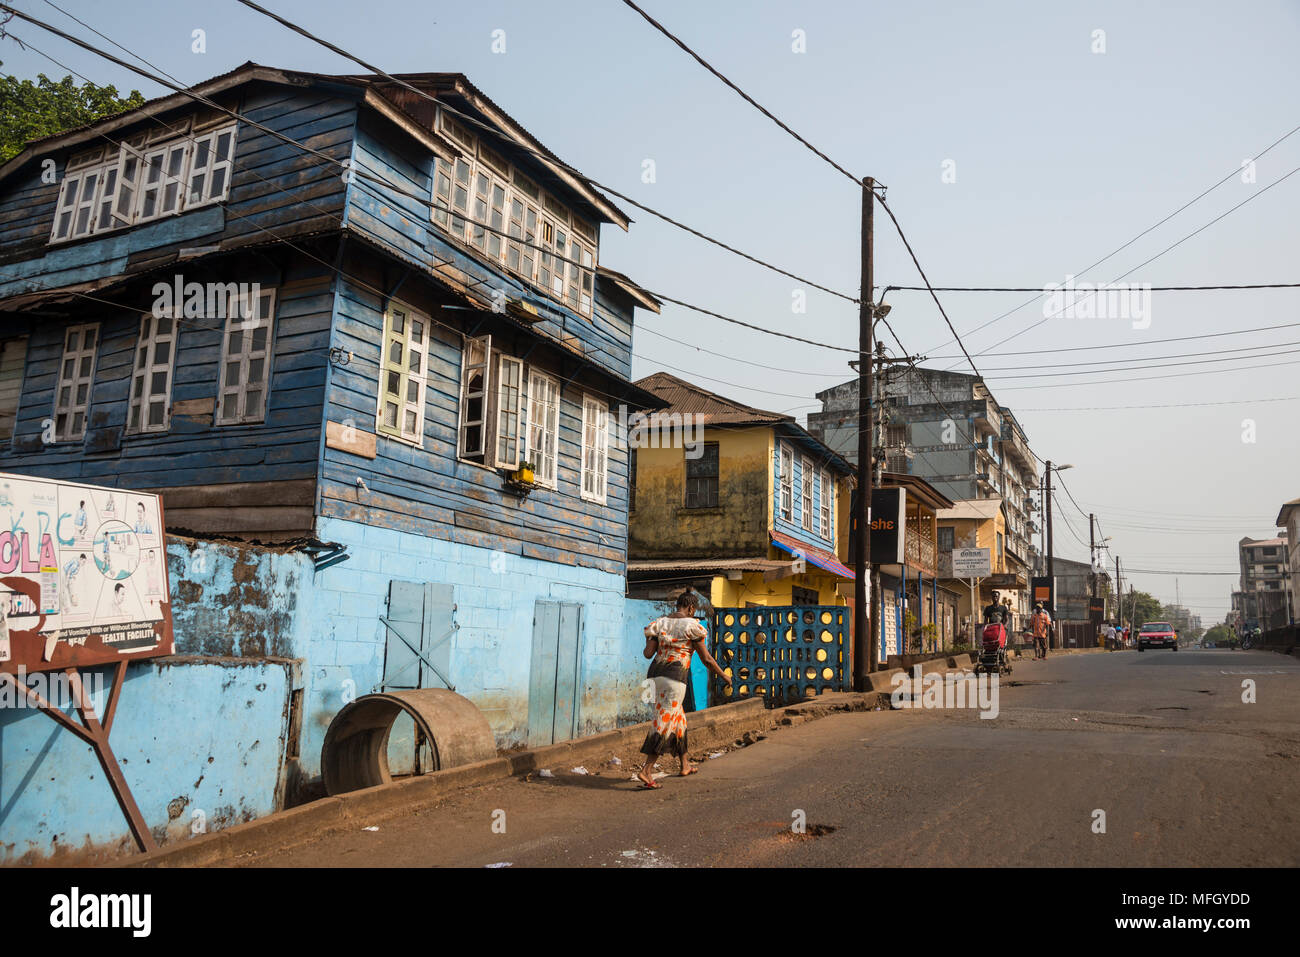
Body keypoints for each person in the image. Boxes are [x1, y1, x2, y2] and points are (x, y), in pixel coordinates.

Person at [636, 591, 731, 789]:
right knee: (663, 723)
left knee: (679, 720)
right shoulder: (691, 626)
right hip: (675, 678)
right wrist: (723, 675)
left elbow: (647, 653)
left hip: (654, 676)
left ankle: (685, 764)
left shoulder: (659, 623)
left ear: (677, 605)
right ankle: (646, 770)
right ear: (691, 608)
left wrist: (656, 640)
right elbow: (707, 659)